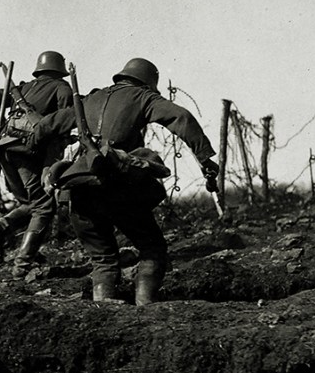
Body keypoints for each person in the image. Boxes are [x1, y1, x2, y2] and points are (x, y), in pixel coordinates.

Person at [31, 57, 219, 304]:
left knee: (103, 259)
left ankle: (105, 311)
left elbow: (45, 125)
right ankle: (146, 309)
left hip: (78, 185)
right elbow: (181, 118)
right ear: (148, 83)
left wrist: (37, 157)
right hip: (118, 185)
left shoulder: (89, 100)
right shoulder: (143, 97)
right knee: (152, 249)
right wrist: (205, 159)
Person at [0, 50, 75, 277]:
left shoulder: (22, 89)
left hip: (2, 149)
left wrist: (1, 125)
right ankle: (22, 266)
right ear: (59, 70)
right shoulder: (62, 88)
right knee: (43, 206)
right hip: (27, 153)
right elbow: (64, 120)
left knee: (33, 202)